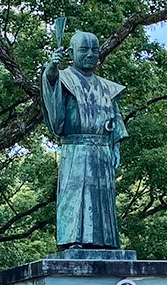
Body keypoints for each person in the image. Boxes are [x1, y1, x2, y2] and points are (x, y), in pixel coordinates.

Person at [41, 30, 128, 249]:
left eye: (94, 50)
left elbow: (115, 118)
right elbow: (51, 85)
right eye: (84, 49)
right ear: (70, 52)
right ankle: (73, 239)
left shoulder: (106, 86)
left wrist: (115, 146)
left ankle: (105, 242)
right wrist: (52, 69)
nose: (90, 54)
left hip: (102, 149)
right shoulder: (65, 78)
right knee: (76, 193)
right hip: (76, 149)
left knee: (103, 197)